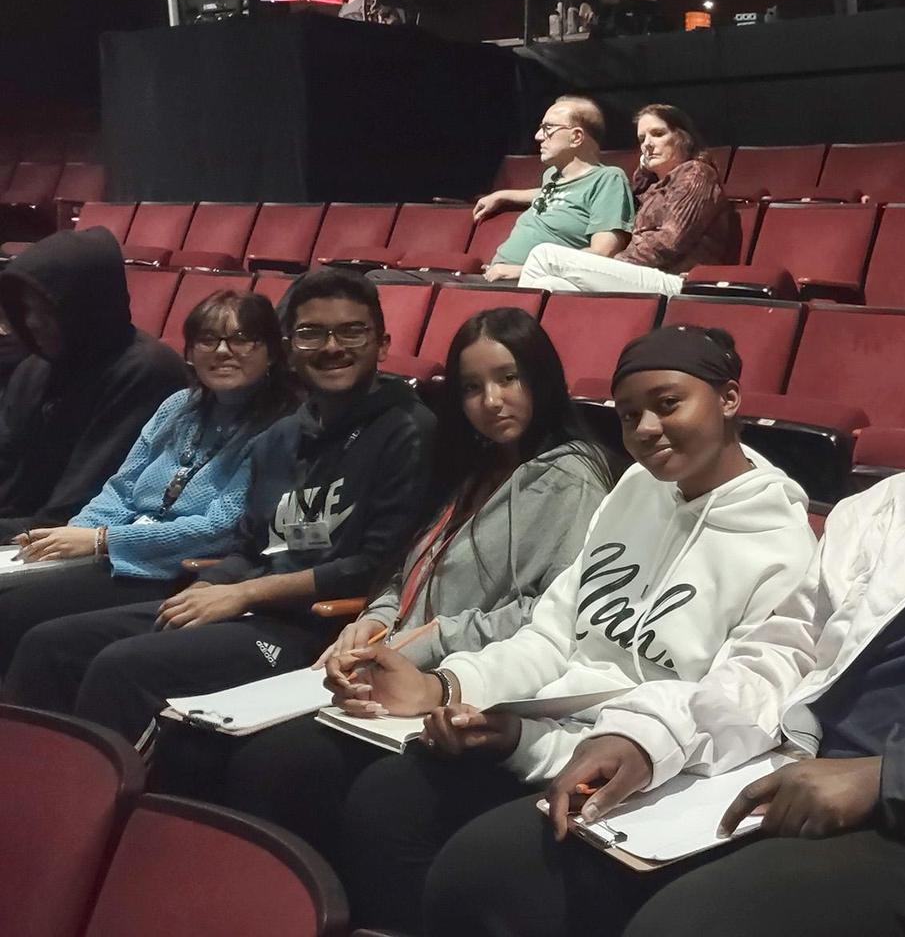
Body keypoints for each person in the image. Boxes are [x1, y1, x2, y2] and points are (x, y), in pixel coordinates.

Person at [421, 254, 905, 937]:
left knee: (687, 928)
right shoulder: (888, 509)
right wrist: (648, 739)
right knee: (489, 872)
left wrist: (886, 781)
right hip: (789, 773)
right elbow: (779, 652)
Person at [319, 324, 816, 932]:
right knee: (380, 802)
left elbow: (726, 707)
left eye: (668, 404)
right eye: (630, 416)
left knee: (476, 869)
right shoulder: (637, 489)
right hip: (537, 732)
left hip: (645, 769)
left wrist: (523, 740)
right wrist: (449, 689)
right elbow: (553, 634)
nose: (646, 431)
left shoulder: (782, 546)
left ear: (729, 399)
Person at [195, 306, 618, 856]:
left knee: (275, 766)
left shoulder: (568, 477)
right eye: (471, 387)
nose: (491, 402)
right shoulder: (477, 466)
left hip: (467, 687)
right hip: (395, 664)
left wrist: (414, 643)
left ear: (541, 377)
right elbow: (410, 569)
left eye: (508, 378)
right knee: (234, 749)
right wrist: (375, 619)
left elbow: (545, 613)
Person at [2, 268, 438, 743]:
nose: (332, 346)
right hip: (244, 604)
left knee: (120, 667)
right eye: (313, 333)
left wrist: (242, 594)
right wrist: (207, 588)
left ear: (383, 343)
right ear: (292, 347)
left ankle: (103, 800)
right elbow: (249, 547)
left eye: (352, 330)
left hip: (314, 628)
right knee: (51, 645)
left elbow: (373, 568)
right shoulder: (282, 437)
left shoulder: (409, 430)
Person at [0, 291, 296, 673]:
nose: (223, 351)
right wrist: (71, 538)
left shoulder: (280, 426)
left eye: (241, 339)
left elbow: (222, 528)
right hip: (114, 554)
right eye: (208, 339)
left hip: (177, 570)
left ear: (272, 353)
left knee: (16, 613)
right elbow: (122, 488)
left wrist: (100, 540)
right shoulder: (178, 406)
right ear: (189, 352)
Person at [0, 228, 192, 540]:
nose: (32, 321)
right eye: (27, 308)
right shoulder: (34, 369)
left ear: (84, 306)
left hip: (79, 544)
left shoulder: (147, 371)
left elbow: (71, 512)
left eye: (46, 309)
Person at [519, 104, 738, 296]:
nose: (647, 144)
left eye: (658, 134)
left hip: (678, 280)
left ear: (683, 138)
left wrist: (610, 263)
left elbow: (669, 242)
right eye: (642, 138)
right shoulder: (653, 185)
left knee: (545, 256)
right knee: (549, 284)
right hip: (644, 274)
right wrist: (643, 172)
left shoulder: (697, 174)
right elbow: (634, 205)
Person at [468, 96, 636, 283]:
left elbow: (603, 253)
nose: (538, 136)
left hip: (534, 284)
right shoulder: (552, 176)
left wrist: (523, 271)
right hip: (497, 276)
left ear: (576, 137)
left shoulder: (608, 179)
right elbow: (556, 194)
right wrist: (502, 195)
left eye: (548, 128)